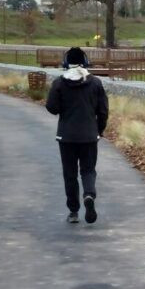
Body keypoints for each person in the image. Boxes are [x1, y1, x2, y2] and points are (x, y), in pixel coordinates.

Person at [45, 47, 109, 224]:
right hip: (89, 135)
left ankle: (73, 211)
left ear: (66, 62)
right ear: (85, 61)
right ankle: (89, 195)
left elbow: (51, 107)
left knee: (70, 173)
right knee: (88, 170)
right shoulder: (95, 83)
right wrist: (99, 130)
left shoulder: (59, 83)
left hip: (66, 137)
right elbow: (103, 111)